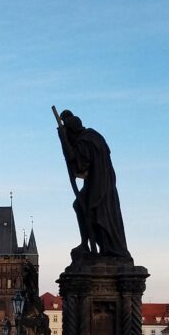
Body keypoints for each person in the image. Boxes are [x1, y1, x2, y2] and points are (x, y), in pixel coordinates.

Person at [56, 109, 132, 260]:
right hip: (103, 181)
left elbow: (78, 164)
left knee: (87, 208)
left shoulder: (84, 141)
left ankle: (92, 245)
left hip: (98, 184)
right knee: (83, 207)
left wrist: (63, 140)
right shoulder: (93, 136)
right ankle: (93, 245)